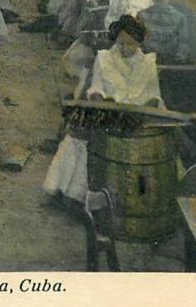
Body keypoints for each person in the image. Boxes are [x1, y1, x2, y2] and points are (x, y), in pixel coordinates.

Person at [43, 15, 163, 203]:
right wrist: (102, 101)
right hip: (108, 111)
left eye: (131, 44)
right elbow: (96, 88)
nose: (125, 48)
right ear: (115, 40)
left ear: (139, 43)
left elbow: (154, 96)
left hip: (138, 114)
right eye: (121, 43)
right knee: (80, 137)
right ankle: (73, 192)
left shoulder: (148, 64)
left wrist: (143, 110)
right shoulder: (104, 58)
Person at [138, 0, 196, 65]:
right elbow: (137, 43)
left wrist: (179, 59)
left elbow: (183, 44)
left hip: (171, 63)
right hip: (145, 63)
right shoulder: (141, 16)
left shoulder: (179, 18)